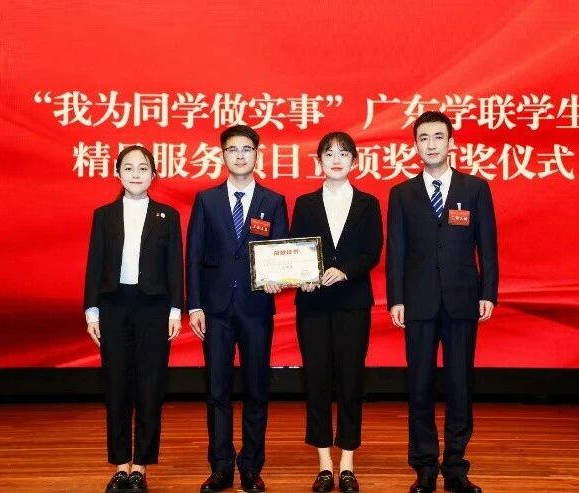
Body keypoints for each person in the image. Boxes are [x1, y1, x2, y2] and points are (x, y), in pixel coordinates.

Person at [386, 111, 498, 493]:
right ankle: (424, 468)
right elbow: (396, 252)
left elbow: (488, 246)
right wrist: (396, 298)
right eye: (423, 138)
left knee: (459, 385)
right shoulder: (402, 194)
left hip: (462, 299)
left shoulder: (475, 188)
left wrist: (488, 292)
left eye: (438, 137)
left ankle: (455, 467)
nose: (431, 144)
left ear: (451, 143)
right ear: (415, 146)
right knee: (419, 386)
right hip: (417, 302)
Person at [186, 125, 288, 493]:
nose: (240, 155)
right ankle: (221, 467)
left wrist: (279, 276)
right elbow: (194, 254)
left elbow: (281, 250)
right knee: (218, 389)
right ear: (223, 155)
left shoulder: (273, 201)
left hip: (256, 306)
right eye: (233, 149)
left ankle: (251, 467)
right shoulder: (206, 200)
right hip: (215, 309)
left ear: (257, 154)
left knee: (257, 389)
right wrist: (194, 305)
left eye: (247, 149)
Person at [84, 144, 183, 493]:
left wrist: (176, 309)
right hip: (113, 306)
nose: (136, 174)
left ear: (154, 175)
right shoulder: (104, 215)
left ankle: (140, 465)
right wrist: (91, 310)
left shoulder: (167, 215)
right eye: (128, 168)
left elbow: (175, 266)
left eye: (143, 168)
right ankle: (121, 466)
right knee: (116, 385)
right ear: (118, 173)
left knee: (150, 385)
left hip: (154, 307)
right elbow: (95, 263)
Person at [290, 132, 383, 493]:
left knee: (350, 380)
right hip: (313, 305)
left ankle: (347, 462)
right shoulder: (305, 203)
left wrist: (344, 270)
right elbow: (296, 248)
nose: (336, 160)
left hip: (352, 303)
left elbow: (373, 251)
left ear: (354, 162)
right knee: (316, 381)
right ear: (319, 162)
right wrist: (303, 277)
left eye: (344, 154)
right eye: (329, 154)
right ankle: (324, 464)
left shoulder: (368, 203)